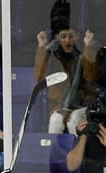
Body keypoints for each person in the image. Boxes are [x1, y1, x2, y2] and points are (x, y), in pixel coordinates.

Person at [34, 0, 97, 134]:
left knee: (74, 120)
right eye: (63, 36)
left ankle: (76, 154)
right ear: (57, 37)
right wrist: (41, 47)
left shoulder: (81, 54)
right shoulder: (51, 54)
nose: (68, 40)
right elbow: (39, 77)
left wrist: (87, 46)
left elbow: (89, 76)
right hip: (58, 105)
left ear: (77, 36)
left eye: (71, 36)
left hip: (79, 104)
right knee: (56, 121)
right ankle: (52, 154)